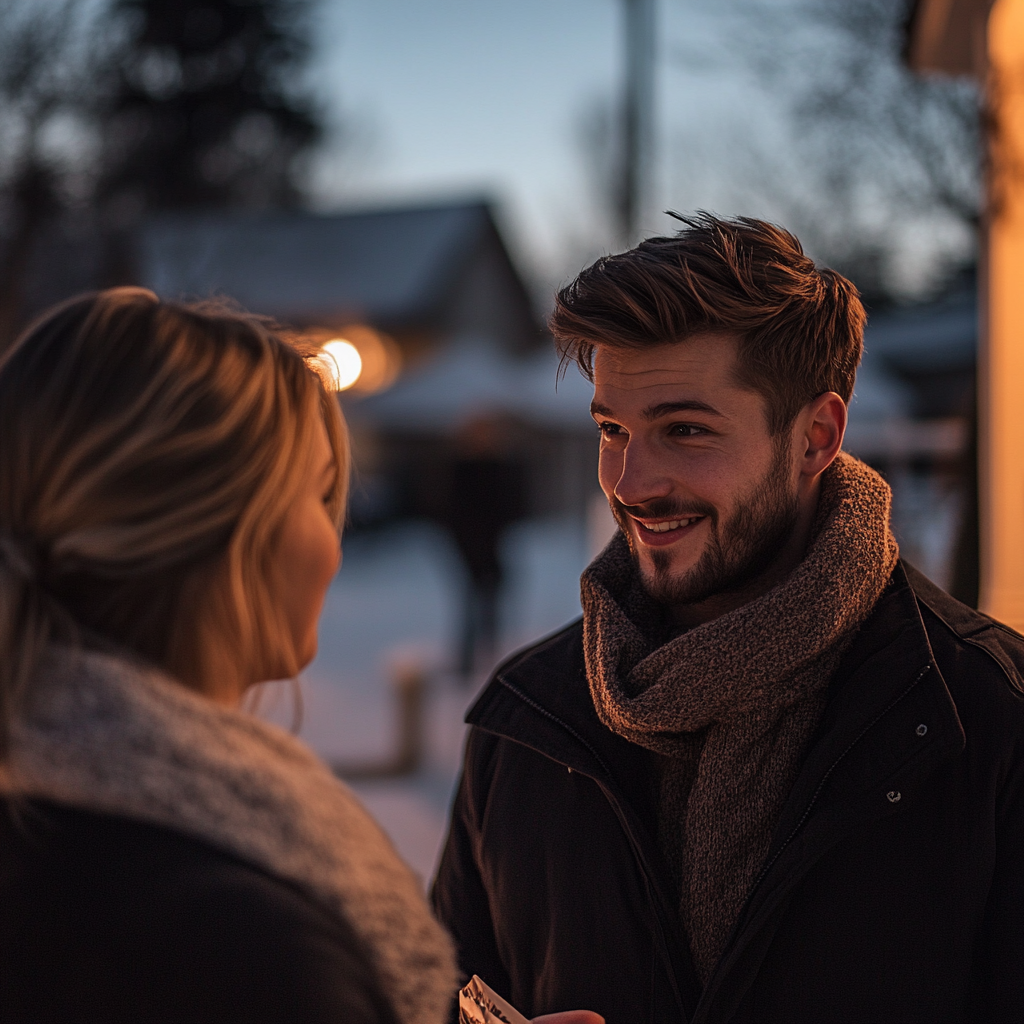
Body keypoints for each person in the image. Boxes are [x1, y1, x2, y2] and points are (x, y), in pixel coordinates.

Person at [433, 215, 1024, 1023]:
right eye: (613, 429)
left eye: (685, 430)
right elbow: (441, 992)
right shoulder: (527, 720)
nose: (631, 482)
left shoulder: (986, 718)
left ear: (816, 436)